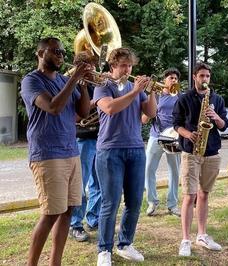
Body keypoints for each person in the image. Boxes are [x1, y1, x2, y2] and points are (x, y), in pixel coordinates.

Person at [21, 37, 92, 266]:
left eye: (62, 51)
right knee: (51, 212)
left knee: (69, 210)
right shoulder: (31, 81)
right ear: (40, 53)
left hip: (70, 151)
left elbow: (82, 112)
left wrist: (82, 83)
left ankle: (55, 262)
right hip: (47, 153)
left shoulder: (65, 80)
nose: (61, 55)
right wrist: (74, 78)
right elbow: (53, 107)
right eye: (55, 51)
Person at [94, 47, 157, 265]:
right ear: (113, 66)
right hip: (110, 150)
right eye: (123, 65)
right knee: (110, 203)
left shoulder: (135, 88)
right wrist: (135, 91)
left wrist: (150, 92)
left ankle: (125, 244)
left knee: (135, 201)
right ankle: (104, 249)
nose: (127, 69)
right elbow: (110, 108)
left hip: (136, 148)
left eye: (130, 65)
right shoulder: (102, 86)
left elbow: (151, 113)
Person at [173, 62, 228, 257]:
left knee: (204, 194)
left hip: (212, 151)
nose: (204, 79)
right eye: (201, 76)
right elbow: (176, 124)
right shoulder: (184, 99)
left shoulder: (217, 99)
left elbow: (224, 125)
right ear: (194, 77)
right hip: (191, 151)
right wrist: (188, 134)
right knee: (190, 196)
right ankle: (185, 239)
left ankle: (202, 235)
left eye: (207, 76)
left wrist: (215, 116)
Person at [69, 51, 102, 242]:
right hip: (82, 139)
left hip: (100, 138)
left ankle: (93, 218)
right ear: (81, 67)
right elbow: (75, 114)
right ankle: (75, 224)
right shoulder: (71, 85)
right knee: (79, 186)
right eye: (90, 66)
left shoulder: (97, 84)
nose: (95, 70)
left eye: (95, 66)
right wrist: (95, 102)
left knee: (98, 183)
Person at [142, 67, 181, 217]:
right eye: (171, 78)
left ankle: (173, 204)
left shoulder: (180, 97)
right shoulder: (156, 96)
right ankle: (152, 202)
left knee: (175, 171)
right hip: (156, 135)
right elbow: (144, 119)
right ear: (164, 80)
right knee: (149, 169)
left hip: (174, 137)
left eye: (176, 78)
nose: (173, 80)